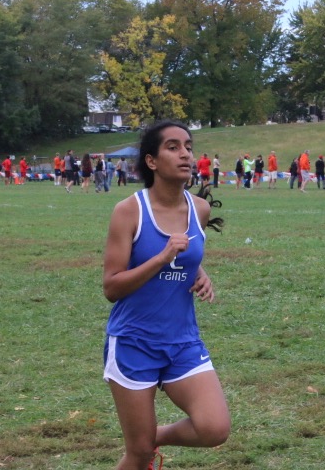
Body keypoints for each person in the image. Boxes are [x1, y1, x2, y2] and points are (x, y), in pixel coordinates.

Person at [102, 120, 230, 470]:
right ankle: (142, 444)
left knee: (214, 428)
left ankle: (150, 436)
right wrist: (161, 258)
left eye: (188, 146)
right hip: (133, 343)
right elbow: (112, 287)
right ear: (152, 161)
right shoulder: (129, 211)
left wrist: (198, 273)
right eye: (172, 147)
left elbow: (187, 255)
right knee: (138, 455)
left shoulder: (199, 210)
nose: (185, 153)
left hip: (182, 341)